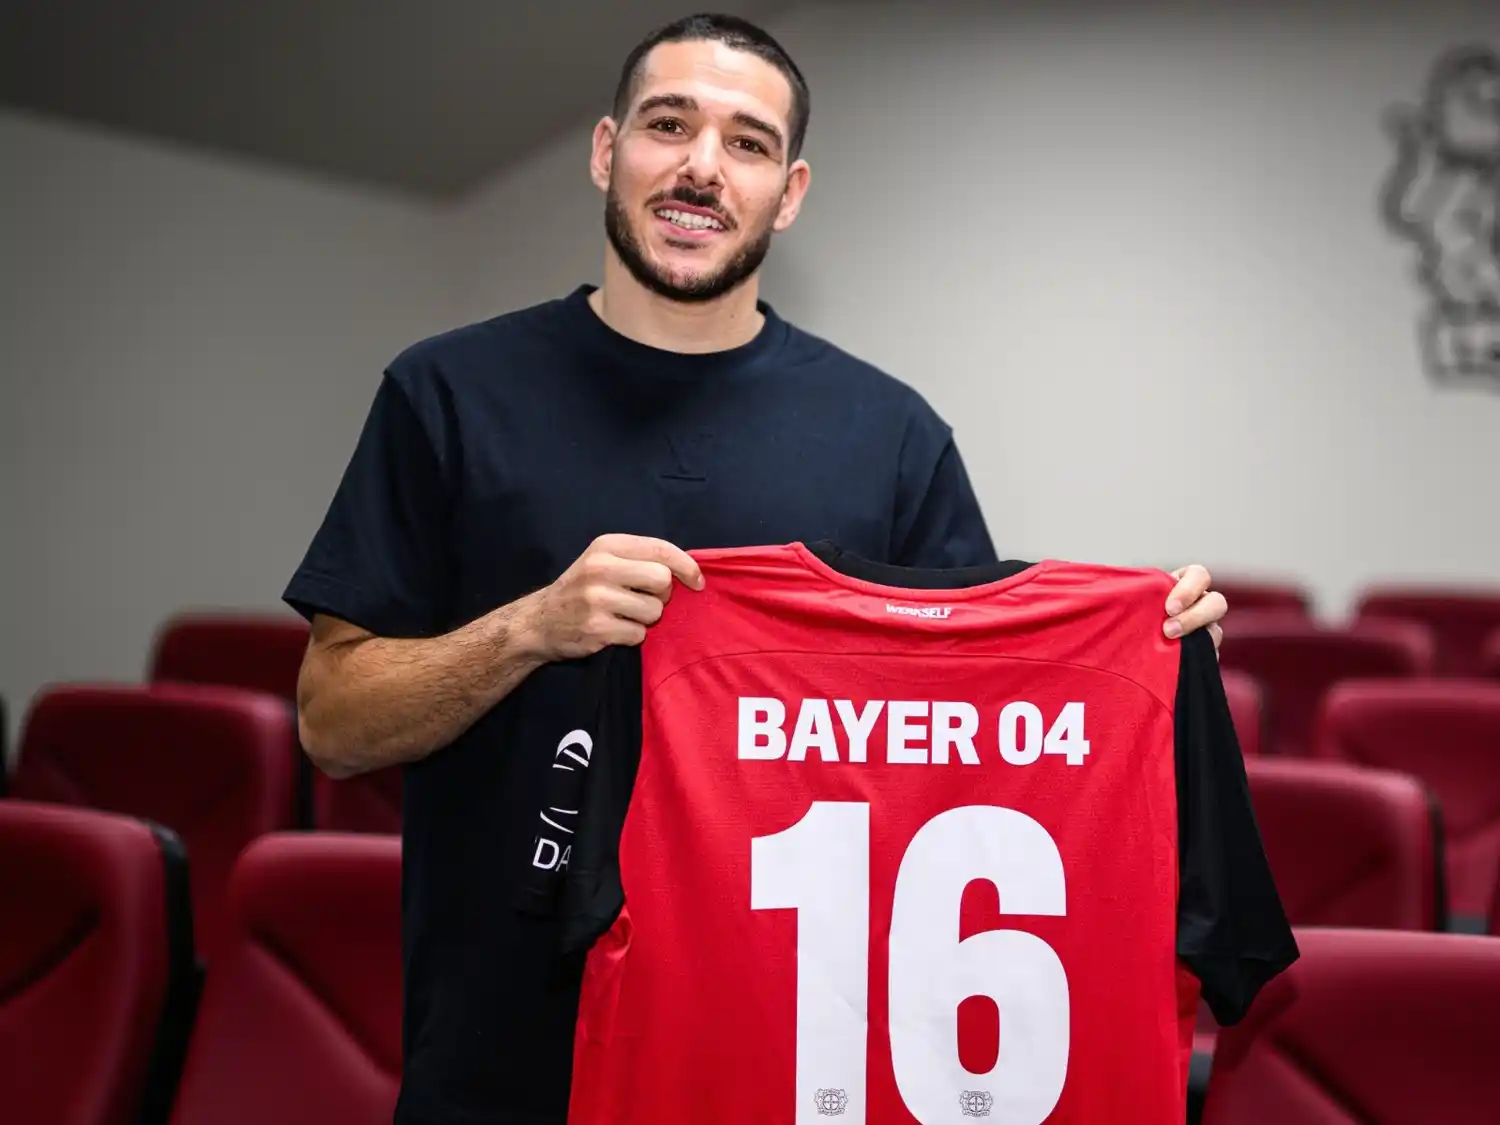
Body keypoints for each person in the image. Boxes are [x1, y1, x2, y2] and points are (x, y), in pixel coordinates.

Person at [284, 13, 1230, 1125]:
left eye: (746, 142)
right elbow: (331, 723)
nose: (699, 166)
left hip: (783, 1065)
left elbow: (979, 754)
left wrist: (1146, 665)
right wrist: (530, 627)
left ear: (789, 192)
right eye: (667, 124)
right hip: (500, 1055)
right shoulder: (446, 396)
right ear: (604, 150)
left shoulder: (889, 438)